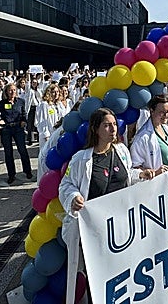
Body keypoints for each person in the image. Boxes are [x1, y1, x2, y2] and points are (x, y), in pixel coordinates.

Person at [58, 108, 154, 304]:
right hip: (95, 233)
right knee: (98, 277)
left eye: (114, 125)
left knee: (121, 272)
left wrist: (142, 174)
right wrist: (74, 197)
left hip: (120, 228)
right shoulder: (81, 159)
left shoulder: (122, 150)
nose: (113, 129)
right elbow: (65, 185)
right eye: (107, 125)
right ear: (95, 129)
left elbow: (127, 176)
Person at [0, 84, 33, 184]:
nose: (12, 92)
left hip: (18, 128)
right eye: (10, 90)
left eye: (14, 90)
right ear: (6, 92)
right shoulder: (1, 103)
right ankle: (11, 174)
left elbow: (24, 114)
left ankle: (27, 171)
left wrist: (24, 121)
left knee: (22, 150)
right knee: (8, 152)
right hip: (6, 129)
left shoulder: (20, 101)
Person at [35, 84, 62, 152]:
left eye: (57, 92)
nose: (56, 94)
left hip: (56, 134)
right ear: (49, 93)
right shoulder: (44, 105)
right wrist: (46, 136)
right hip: (48, 136)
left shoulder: (57, 105)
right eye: (53, 92)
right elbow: (42, 121)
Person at [23, 74, 42, 145]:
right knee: (30, 124)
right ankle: (29, 139)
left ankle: (38, 138)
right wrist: (27, 74)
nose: (34, 84)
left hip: (38, 108)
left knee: (37, 123)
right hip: (31, 108)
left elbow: (42, 83)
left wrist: (42, 74)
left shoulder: (38, 90)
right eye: (33, 82)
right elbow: (27, 83)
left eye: (35, 83)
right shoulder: (29, 90)